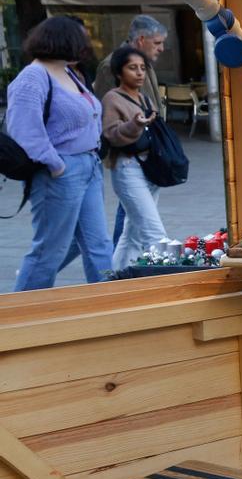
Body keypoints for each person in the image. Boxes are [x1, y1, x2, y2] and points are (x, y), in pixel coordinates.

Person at [60, 15, 168, 271]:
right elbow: (104, 116)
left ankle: (115, 276)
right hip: (124, 159)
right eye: (157, 42)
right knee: (140, 226)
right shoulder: (112, 66)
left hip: (147, 156)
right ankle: (116, 276)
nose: (161, 48)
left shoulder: (142, 64)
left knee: (125, 230)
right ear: (141, 40)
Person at [9, 16, 107, 291]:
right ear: (64, 41)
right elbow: (24, 130)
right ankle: (23, 317)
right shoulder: (33, 77)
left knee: (99, 245)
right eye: (81, 39)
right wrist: (56, 165)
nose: (85, 45)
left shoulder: (67, 73)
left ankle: (111, 307)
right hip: (62, 171)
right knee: (49, 251)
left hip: (88, 166)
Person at [102, 45, 165, 270]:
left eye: (142, 68)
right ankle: (166, 284)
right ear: (119, 72)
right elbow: (111, 134)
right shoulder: (112, 98)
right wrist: (134, 124)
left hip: (150, 168)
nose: (139, 73)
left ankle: (117, 277)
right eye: (132, 68)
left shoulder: (145, 99)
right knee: (154, 232)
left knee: (133, 233)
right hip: (127, 168)